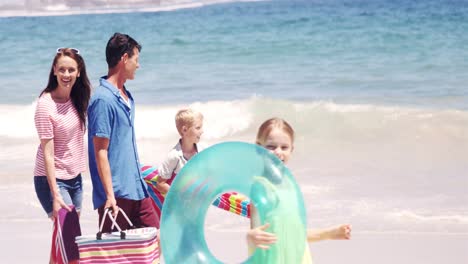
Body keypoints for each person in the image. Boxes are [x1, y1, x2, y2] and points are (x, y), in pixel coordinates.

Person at [246, 117, 352, 262]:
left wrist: (329, 233)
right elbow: (256, 232)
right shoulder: (260, 186)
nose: (278, 152)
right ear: (258, 148)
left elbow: (295, 233)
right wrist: (250, 237)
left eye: (284, 147)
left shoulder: (291, 186)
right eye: (271, 147)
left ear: (291, 150)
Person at [87, 33, 158, 232]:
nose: (138, 65)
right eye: (136, 59)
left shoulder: (127, 96)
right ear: (124, 58)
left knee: (157, 239)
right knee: (117, 255)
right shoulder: (102, 100)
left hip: (137, 188)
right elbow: (100, 152)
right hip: (116, 194)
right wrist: (110, 195)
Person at [34, 47, 91, 264]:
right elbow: (48, 155)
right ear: (54, 71)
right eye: (62, 70)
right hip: (52, 181)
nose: (66, 75)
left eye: (71, 70)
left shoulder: (78, 98)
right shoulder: (45, 105)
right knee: (71, 242)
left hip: (74, 179)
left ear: (78, 72)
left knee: (63, 239)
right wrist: (55, 193)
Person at [156, 109, 204, 197]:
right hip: (179, 205)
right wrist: (179, 195)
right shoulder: (174, 156)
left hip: (197, 202)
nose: (202, 131)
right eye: (198, 128)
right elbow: (160, 184)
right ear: (184, 130)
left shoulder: (202, 152)